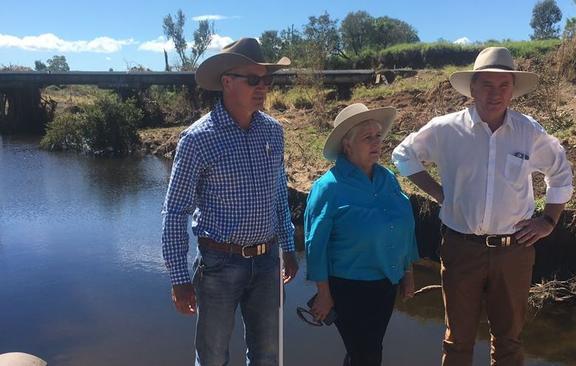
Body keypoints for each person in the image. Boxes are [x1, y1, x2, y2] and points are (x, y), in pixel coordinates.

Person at [392, 47, 573, 366]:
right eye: (488, 85)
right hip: (462, 249)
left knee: (508, 341)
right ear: (472, 88)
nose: (496, 93)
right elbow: (403, 154)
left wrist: (548, 220)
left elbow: (560, 171)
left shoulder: (528, 131)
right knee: (457, 341)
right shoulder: (446, 129)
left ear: (513, 90)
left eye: (504, 86)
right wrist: (437, 191)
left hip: (514, 251)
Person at [161, 38, 298, 366]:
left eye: (266, 80)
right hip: (218, 265)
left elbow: (279, 194)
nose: (262, 87)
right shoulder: (197, 139)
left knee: (267, 355)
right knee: (212, 357)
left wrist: (289, 248)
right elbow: (175, 210)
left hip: (267, 263)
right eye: (253, 80)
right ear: (227, 82)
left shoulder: (273, 132)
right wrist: (179, 278)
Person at [305, 103, 419, 366]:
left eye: (378, 136)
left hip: (386, 283)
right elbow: (315, 245)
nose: (376, 142)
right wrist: (323, 293)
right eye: (367, 137)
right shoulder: (327, 187)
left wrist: (407, 272)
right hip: (349, 287)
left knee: (368, 350)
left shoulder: (387, 178)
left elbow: (404, 227)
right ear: (347, 145)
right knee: (365, 354)